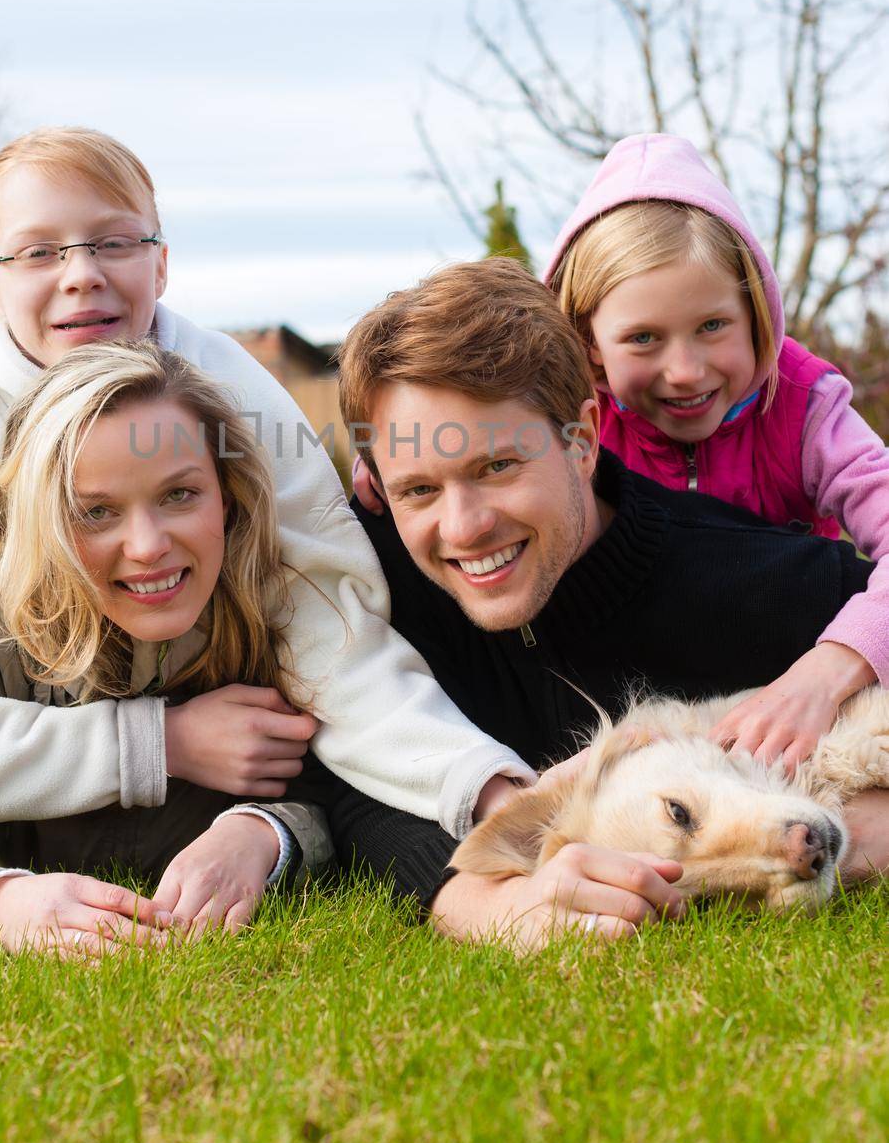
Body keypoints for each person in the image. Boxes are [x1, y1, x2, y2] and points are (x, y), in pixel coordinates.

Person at [0, 128, 530, 848]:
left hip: (217, 774)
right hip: (36, 753)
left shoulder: (233, 394)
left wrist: (480, 785)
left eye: (113, 243)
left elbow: (334, 638)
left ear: (161, 264)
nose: (81, 273)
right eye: (39, 251)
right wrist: (155, 743)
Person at [330, 258, 889, 953]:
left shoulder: (766, 583)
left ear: (583, 439)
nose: (463, 526)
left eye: (497, 466)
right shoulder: (385, 594)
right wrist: (474, 899)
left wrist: (861, 824)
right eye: (418, 489)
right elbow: (338, 779)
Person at [0, 342, 333, 953]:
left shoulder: (275, 605)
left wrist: (260, 834)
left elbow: (343, 782)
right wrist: (0, 905)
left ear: (226, 495)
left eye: (180, 494)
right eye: (95, 512)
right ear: (40, 521)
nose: (149, 544)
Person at [542, 132, 889, 775]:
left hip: (781, 677)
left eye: (712, 326)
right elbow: (465, 438)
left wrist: (826, 671)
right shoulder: (567, 422)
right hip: (624, 688)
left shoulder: (805, 407)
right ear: (590, 344)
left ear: (754, 312)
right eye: (642, 338)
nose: (685, 370)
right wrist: (391, 464)